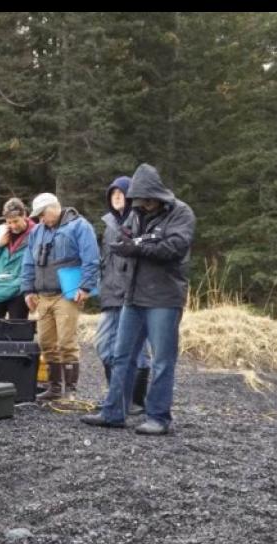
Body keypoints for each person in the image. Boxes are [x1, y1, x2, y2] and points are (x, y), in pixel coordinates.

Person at [81, 163, 196, 435]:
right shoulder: (135, 212)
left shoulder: (181, 212)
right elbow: (126, 238)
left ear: (155, 194)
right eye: (137, 200)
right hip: (132, 296)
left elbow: (176, 247)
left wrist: (139, 246)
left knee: (162, 360)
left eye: (144, 199)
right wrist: (128, 245)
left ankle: (158, 417)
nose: (140, 205)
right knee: (122, 356)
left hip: (164, 298)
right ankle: (114, 412)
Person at [20, 192, 99, 401]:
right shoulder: (36, 232)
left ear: (54, 208)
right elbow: (28, 262)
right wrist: (28, 290)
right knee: (46, 343)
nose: (39, 219)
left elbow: (91, 258)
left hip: (68, 294)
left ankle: (70, 390)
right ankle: (54, 388)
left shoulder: (80, 226)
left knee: (67, 342)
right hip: (43, 296)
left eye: (42, 214)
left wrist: (86, 287)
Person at [94, 176, 151, 415]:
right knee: (104, 346)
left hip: (132, 294)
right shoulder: (109, 225)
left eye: (121, 193)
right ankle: (117, 397)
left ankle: (135, 402)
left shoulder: (139, 220)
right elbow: (106, 263)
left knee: (135, 351)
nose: (116, 197)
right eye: (112, 193)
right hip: (110, 295)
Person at [0, 197, 35, 319]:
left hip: (19, 290)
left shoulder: (35, 234)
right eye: (9, 222)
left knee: (17, 330)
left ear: (24, 215)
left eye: (16, 221)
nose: (13, 226)